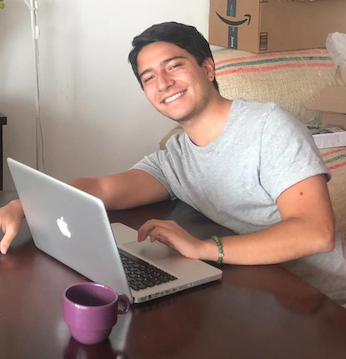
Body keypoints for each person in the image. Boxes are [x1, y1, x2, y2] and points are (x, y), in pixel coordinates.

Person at [1, 22, 345, 303]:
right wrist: (26, 204)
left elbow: (316, 233)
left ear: (208, 68)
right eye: (148, 77)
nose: (163, 83)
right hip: (256, 291)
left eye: (174, 66)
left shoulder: (269, 126)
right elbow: (101, 187)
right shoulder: (176, 154)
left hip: (319, 301)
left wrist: (203, 249)